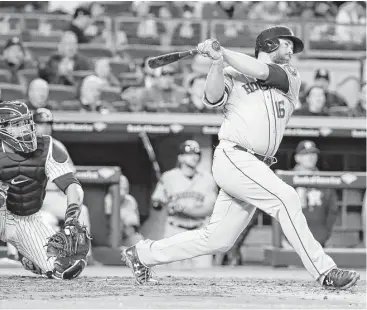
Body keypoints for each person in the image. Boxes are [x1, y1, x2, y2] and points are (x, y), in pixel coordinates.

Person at [122, 25, 360, 290]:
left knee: (219, 239)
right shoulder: (231, 73)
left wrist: (221, 50)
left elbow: (260, 71)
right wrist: (216, 62)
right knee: (286, 197)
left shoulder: (291, 75)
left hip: (256, 165)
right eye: (286, 43)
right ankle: (325, 271)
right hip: (233, 156)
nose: (291, 48)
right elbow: (211, 98)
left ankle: (142, 254)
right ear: (269, 44)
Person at [0, 101, 87, 279]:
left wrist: (71, 217)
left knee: (62, 267)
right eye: (17, 124)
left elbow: (72, 184)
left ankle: (29, 256)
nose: (24, 128)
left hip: (25, 218)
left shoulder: (47, 147)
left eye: (26, 122)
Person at [151, 140, 218, 268]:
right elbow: (156, 205)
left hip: (199, 231)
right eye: (189, 153)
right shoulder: (168, 177)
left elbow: (209, 209)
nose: (194, 157)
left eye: (197, 153)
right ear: (180, 157)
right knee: (173, 276)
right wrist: (160, 202)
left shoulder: (207, 178)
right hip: (174, 231)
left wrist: (182, 209)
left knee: (204, 275)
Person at [283, 140, 339, 248]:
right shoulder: (287, 178)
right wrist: (283, 237)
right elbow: (278, 210)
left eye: (313, 154)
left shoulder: (325, 180)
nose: (310, 157)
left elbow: (332, 210)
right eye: (305, 154)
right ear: (297, 158)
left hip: (317, 240)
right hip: (290, 240)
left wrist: (324, 235)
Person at [105, 175, 143, 247]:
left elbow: (132, 227)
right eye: (121, 188)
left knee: (138, 239)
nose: (123, 191)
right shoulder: (106, 200)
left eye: (125, 188)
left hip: (125, 236)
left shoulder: (130, 200)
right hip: (108, 238)